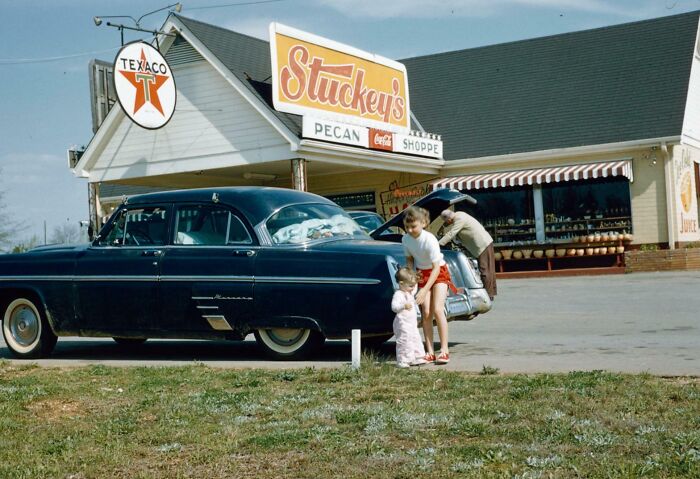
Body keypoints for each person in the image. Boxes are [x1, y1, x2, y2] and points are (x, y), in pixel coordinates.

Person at [402, 206, 453, 365]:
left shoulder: (429, 239)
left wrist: (424, 290)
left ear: (423, 223)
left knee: (438, 309)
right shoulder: (406, 239)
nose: (410, 230)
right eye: (407, 227)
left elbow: (436, 267)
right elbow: (410, 260)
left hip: (438, 272)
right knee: (426, 313)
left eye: (413, 226)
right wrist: (411, 280)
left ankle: (444, 351)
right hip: (421, 273)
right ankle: (429, 352)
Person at [439, 209, 497, 300]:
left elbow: (452, 233)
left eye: (446, 221)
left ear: (449, 219)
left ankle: (489, 295)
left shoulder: (459, 219)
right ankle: (490, 292)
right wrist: (443, 226)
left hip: (483, 244)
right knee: (487, 269)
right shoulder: (458, 215)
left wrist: (438, 244)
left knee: (485, 269)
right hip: (482, 244)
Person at [390, 267, 428, 368]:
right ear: (401, 283)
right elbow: (394, 307)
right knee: (404, 340)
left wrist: (417, 277)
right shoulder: (398, 294)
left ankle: (416, 357)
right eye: (410, 286)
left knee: (415, 338)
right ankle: (403, 360)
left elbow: (415, 285)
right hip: (402, 323)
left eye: (413, 285)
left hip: (411, 323)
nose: (413, 287)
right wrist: (403, 306)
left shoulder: (409, 291)